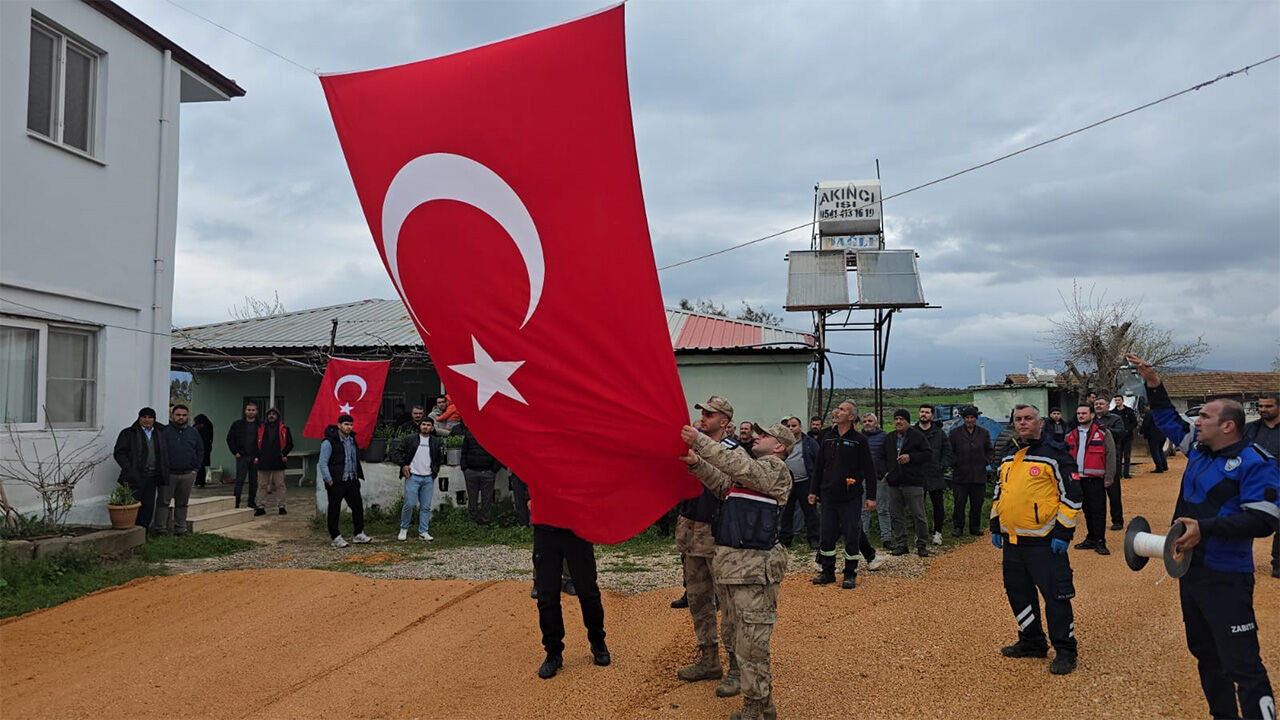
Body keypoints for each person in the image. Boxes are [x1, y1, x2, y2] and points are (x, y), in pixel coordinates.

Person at [1133, 354, 1277, 717]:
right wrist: (1153, 382)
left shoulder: (1256, 462)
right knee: (1205, 654)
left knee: (1243, 666)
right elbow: (1166, 419)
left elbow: (1265, 519)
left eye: (1205, 417)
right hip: (1191, 572)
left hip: (1227, 575)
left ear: (1228, 426)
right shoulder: (1197, 450)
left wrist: (1206, 529)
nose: (1196, 421)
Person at [679, 420, 793, 720]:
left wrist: (700, 443)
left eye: (765, 435)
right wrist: (696, 464)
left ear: (779, 446)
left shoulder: (775, 470)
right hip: (733, 567)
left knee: (752, 644)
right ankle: (762, 705)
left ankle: (756, 706)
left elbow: (740, 468)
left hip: (755, 571)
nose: (757, 437)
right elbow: (721, 484)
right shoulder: (751, 476)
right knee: (737, 636)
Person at [990, 403, 1081, 675]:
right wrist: (996, 525)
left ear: (1040, 422)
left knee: (1056, 597)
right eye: (1018, 419)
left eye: (1028, 418)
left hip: (1045, 542)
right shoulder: (1009, 455)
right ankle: (1031, 641)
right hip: (1014, 542)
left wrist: (1064, 532)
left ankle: (1065, 650)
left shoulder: (1054, 453)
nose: (1023, 423)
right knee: (1018, 593)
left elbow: (1072, 494)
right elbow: (1000, 491)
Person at [674, 396, 747, 699]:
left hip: (718, 534)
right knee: (698, 599)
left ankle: (737, 668)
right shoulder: (688, 446)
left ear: (725, 422)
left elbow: (730, 486)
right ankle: (708, 659)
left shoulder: (733, 452)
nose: (703, 418)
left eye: (710, 414)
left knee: (729, 606)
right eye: (702, 413)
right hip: (690, 529)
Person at [531, 500, 610, 679]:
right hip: (545, 528)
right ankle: (553, 652)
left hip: (578, 526)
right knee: (547, 595)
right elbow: (526, 473)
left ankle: (598, 641)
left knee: (588, 591)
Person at [811, 401, 883, 589]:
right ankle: (827, 571)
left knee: (852, 534)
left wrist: (871, 497)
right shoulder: (827, 438)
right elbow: (819, 467)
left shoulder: (859, 440)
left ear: (851, 417)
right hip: (828, 495)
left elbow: (869, 470)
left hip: (850, 496)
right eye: (837, 409)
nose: (836, 412)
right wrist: (813, 490)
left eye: (842, 410)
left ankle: (849, 573)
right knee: (826, 534)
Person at [1064, 402, 1117, 555]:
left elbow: (1111, 455)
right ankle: (1091, 537)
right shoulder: (1071, 434)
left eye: (1084, 413)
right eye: (1079, 413)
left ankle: (1100, 541)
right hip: (1078, 479)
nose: (1080, 416)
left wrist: (1109, 476)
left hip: (1096, 479)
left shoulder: (1103, 433)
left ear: (1092, 415)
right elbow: (1066, 457)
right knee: (1086, 510)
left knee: (1098, 511)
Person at [881, 409, 932, 557]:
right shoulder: (889, 438)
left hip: (913, 482)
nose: (898, 422)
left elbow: (928, 454)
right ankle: (901, 544)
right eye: (896, 419)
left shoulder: (917, 436)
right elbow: (882, 456)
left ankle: (922, 544)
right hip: (894, 483)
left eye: (901, 419)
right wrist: (885, 472)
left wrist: (911, 457)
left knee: (919, 515)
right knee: (896, 515)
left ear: (908, 421)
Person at [318, 414, 372, 548]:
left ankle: (359, 533)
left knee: (357, 507)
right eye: (346, 424)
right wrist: (328, 479)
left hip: (351, 479)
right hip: (336, 481)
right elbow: (323, 462)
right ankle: (335, 536)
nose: (349, 427)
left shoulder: (352, 440)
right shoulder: (329, 442)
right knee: (334, 509)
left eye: (351, 425)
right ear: (339, 425)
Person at [113, 407, 170, 532]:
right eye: (144, 417)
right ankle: (129, 532)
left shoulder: (160, 433)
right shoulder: (129, 433)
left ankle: (143, 532)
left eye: (150, 417)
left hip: (153, 476)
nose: (147, 420)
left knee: (148, 506)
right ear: (139, 418)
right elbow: (119, 453)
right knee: (131, 505)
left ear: (154, 419)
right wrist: (130, 469)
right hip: (134, 477)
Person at [1243, 391, 1279, 579]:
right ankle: (1241, 561)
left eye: (1268, 406)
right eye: (1261, 406)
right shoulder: (1249, 429)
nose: (1263, 410)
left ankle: (1278, 564)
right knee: (1244, 524)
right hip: (1253, 484)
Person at [389, 417, 443, 542]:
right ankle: (404, 528)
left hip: (428, 477)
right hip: (412, 476)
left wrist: (434, 471)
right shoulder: (410, 439)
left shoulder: (436, 441)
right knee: (409, 504)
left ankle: (423, 531)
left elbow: (439, 458)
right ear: (420, 426)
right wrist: (403, 465)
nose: (425, 427)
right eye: (423, 424)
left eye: (428, 425)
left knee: (426, 506)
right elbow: (396, 453)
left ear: (432, 427)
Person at [157, 405, 203, 536]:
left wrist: (196, 468)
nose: (181, 417)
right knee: (163, 502)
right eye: (178, 415)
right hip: (168, 474)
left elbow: (200, 450)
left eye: (184, 415)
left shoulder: (193, 432)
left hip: (188, 474)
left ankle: (180, 529)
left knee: (182, 503)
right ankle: (161, 529)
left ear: (188, 416)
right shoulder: (164, 432)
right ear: (172, 416)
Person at [948, 406, 993, 536]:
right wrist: (955, 463)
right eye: (967, 417)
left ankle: (975, 527)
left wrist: (985, 461)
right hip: (960, 475)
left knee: (977, 503)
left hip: (979, 474)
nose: (969, 420)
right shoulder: (954, 433)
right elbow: (950, 451)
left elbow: (989, 450)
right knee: (959, 503)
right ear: (963, 419)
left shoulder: (984, 433)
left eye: (972, 417)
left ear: (976, 419)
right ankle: (958, 527)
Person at [779, 416, 820, 549]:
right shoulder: (782, 443)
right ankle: (785, 539)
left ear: (800, 427)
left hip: (805, 482)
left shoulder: (809, 442)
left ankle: (813, 538)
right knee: (786, 512)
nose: (791, 428)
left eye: (794, 425)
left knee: (810, 512)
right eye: (789, 426)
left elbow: (818, 460)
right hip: (787, 483)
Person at [915, 405, 953, 545]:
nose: (924, 414)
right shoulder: (912, 432)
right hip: (917, 475)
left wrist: (942, 465)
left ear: (932, 415)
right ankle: (919, 533)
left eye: (927, 412)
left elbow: (947, 451)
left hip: (935, 474)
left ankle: (938, 533)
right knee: (918, 507)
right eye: (922, 412)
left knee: (938, 506)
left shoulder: (939, 433)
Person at [862, 413, 895, 548]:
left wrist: (887, 473)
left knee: (883, 509)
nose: (867, 423)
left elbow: (890, 455)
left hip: (880, 478)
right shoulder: (859, 437)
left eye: (870, 421)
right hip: (863, 478)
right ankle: (863, 538)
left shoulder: (884, 437)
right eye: (865, 421)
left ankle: (886, 539)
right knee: (863, 510)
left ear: (876, 423)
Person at [253, 407, 294, 516]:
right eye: (269, 414)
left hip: (278, 461)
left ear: (278, 416)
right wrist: (257, 455)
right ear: (266, 416)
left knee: (280, 485)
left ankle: (281, 506)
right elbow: (255, 444)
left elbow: (290, 444)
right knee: (262, 485)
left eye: (274, 414)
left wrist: (283, 453)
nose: (271, 416)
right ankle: (260, 507)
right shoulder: (260, 429)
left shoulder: (284, 429)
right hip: (263, 461)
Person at [460, 424, 503, 525]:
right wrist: (465, 468)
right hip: (471, 471)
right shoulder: (469, 434)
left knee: (487, 499)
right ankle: (472, 521)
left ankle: (485, 521)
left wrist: (493, 469)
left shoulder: (494, 435)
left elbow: (499, 452)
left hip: (488, 472)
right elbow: (464, 452)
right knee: (472, 498)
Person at [1094, 398, 1127, 530]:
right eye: (1096, 404)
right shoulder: (1091, 420)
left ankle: (1117, 520)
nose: (1098, 406)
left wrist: (1104, 431)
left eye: (1101, 404)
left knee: (1113, 493)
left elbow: (1121, 433)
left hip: (1111, 459)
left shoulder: (1115, 419)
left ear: (1108, 406)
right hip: (1094, 461)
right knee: (1096, 495)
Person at [226, 402, 260, 509]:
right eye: (249, 410)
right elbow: (230, 439)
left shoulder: (260, 425)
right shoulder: (237, 424)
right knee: (239, 480)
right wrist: (235, 452)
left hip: (255, 456)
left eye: (253, 410)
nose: (251, 412)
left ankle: (251, 502)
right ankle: (235, 502)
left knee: (254, 481)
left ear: (256, 412)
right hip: (242, 456)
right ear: (245, 411)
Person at [1112, 395, 1138, 479]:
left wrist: (1128, 430)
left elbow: (1134, 422)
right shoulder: (1113, 413)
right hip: (1117, 438)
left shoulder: (1129, 411)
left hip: (1128, 437)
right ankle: (1118, 474)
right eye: (1116, 400)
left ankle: (1126, 473)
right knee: (1118, 457)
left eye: (1119, 400)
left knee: (1127, 456)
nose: (1117, 402)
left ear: (1122, 401)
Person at [1140, 409, 1170, 474]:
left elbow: (1145, 424)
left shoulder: (1149, 413)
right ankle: (1164, 466)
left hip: (1153, 435)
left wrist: (1141, 431)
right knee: (1160, 450)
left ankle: (1159, 467)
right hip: (1163, 434)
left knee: (1155, 451)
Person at [192, 413, 214, 488]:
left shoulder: (197, 427)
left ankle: (198, 481)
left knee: (199, 466)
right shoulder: (209, 425)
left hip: (198, 448)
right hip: (207, 448)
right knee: (202, 466)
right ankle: (201, 482)